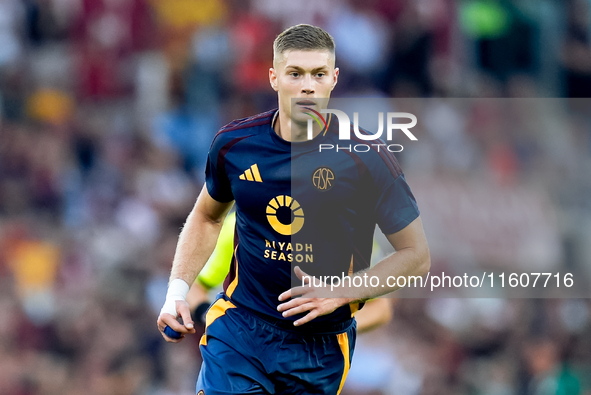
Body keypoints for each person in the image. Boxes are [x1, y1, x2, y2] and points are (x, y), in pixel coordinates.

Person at [157, 24, 430, 395]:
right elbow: (207, 215)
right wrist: (177, 291)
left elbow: (416, 255)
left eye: (318, 74)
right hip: (242, 329)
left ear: (334, 79)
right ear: (273, 77)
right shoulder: (235, 145)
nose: (307, 86)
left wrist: (340, 292)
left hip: (320, 348)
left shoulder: (368, 157)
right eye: (295, 73)